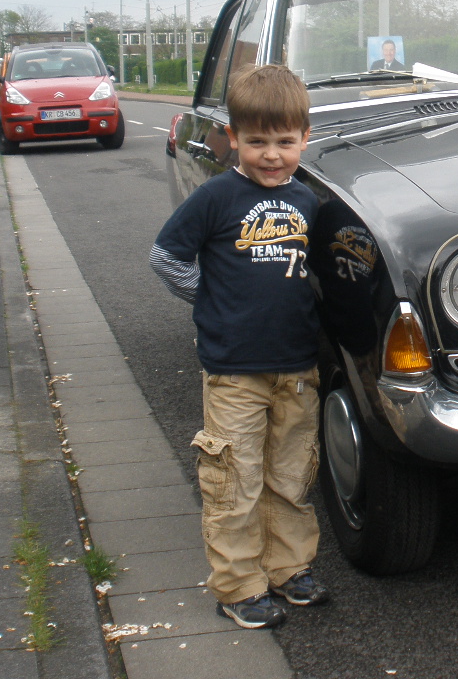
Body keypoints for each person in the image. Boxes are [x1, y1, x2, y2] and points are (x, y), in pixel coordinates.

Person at [150, 64, 328, 629]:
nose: (271, 155)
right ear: (233, 138)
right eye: (257, 142)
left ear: (305, 137)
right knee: (235, 481)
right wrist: (210, 298)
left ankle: (288, 568)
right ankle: (239, 585)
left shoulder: (308, 202)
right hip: (234, 371)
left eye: (285, 142)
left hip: (297, 368)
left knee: (291, 478)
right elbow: (166, 257)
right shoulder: (217, 197)